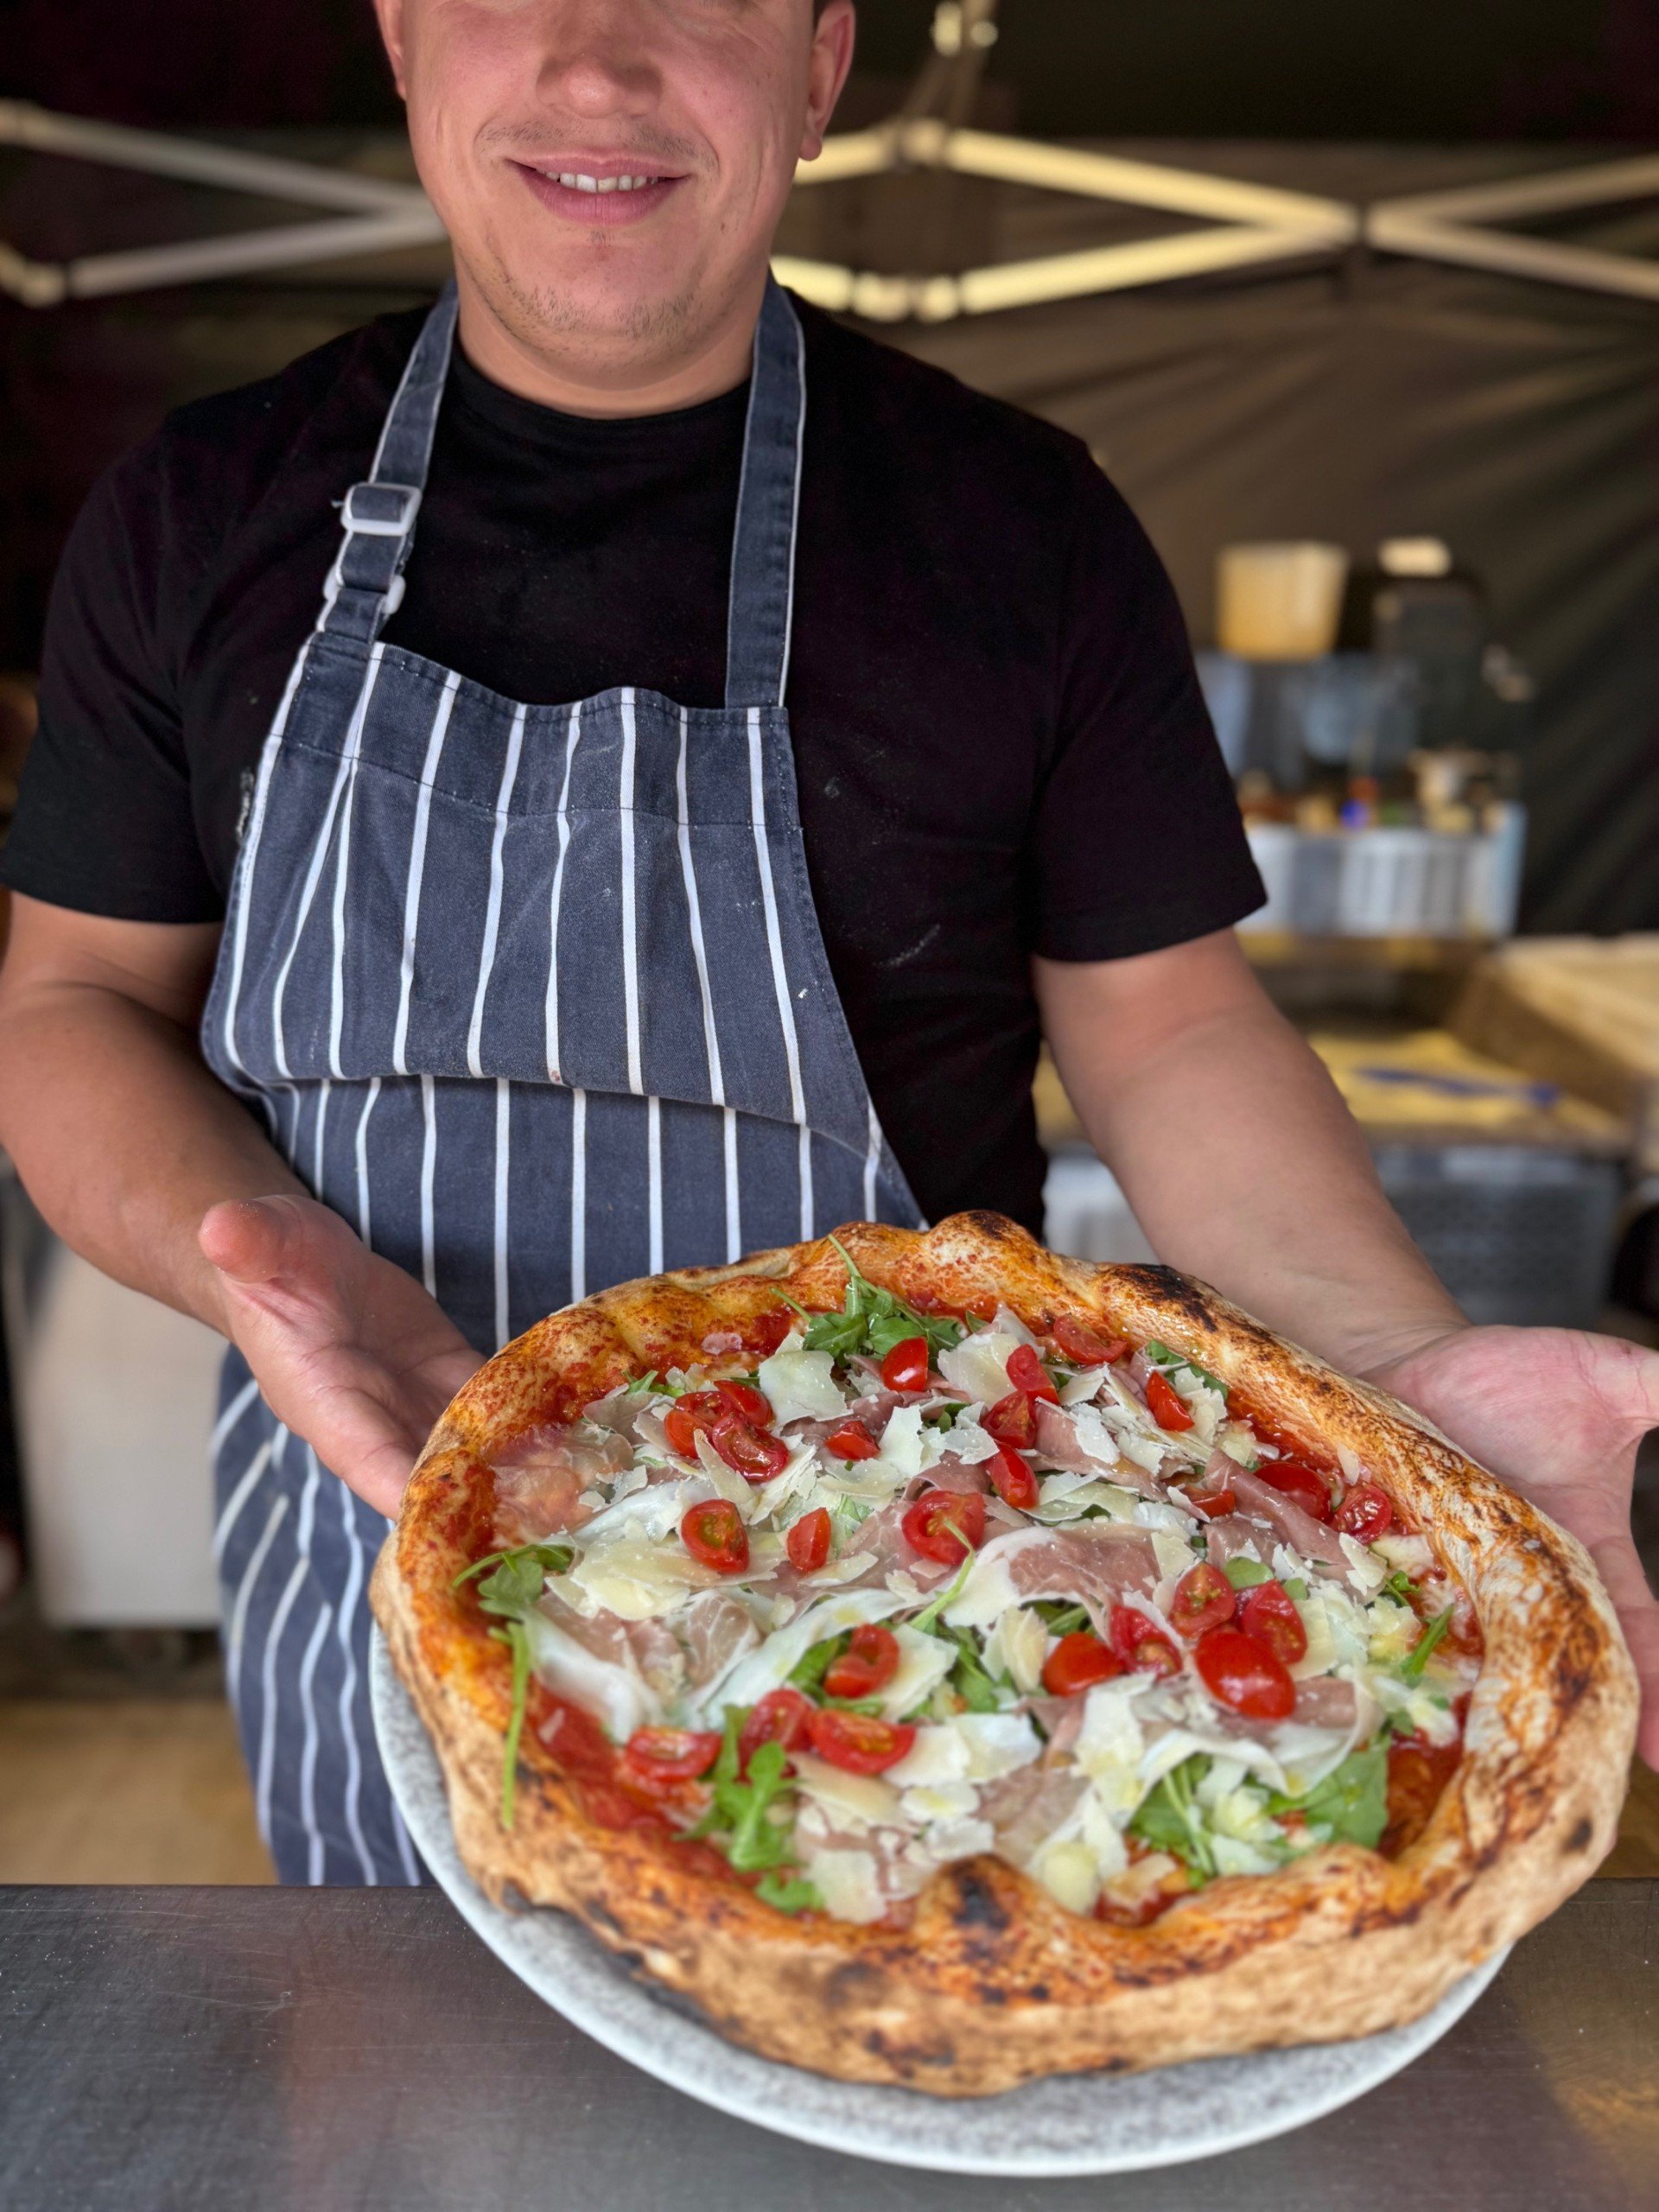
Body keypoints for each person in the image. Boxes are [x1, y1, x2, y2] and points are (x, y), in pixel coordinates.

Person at [0, 0, 1651, 1882]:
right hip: (384, 1531)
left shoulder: (1022, 531)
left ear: (820, 63)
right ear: (398, 35)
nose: (600, 64)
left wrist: (1393, 1366)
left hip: (914, 1624)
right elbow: (68, 1002)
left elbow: (1173, 1030)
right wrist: (242, 1257)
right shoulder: (200, 513)